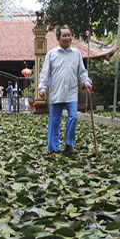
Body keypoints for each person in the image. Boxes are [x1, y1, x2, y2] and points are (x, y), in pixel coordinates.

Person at [38, 26, 92, 155]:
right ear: (58, 38)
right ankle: (53, 148)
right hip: (56, 92)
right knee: (55, 120)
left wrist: (87, 82)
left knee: (73, 117)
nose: (68, 38)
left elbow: (82, 72)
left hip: (71, 93)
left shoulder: (77, 54)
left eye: (69, 35)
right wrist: (42, 87)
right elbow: (45, 73)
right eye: (64, 36)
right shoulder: (51, 54)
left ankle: (69, 144)